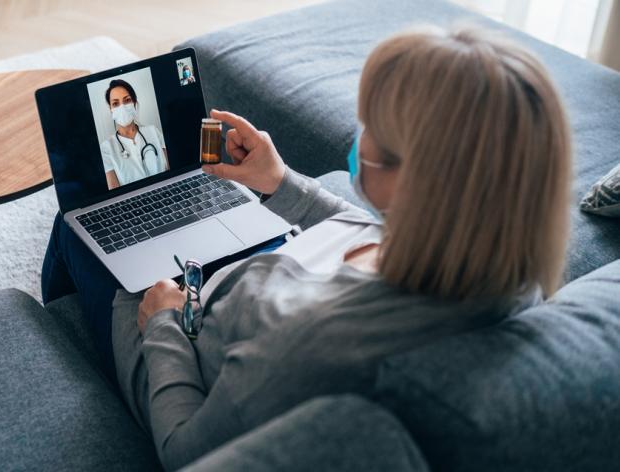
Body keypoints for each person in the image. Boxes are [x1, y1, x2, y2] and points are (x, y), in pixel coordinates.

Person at [42, 25, 571, 470]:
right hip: (245, 278)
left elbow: (185, 450)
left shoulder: (308, 347)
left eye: (372, 129)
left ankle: (67, 355)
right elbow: (369, 235)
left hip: (181, 334)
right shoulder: (496, 260)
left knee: (74, 228)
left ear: (417, 182)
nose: (360, 136)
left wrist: (161, 323)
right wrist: (279, 182)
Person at [99, 79, 170, 189]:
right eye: (115, 103)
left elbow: (170, 170)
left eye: (127, 100)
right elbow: (114, 193)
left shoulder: (153, 131)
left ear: (134, 103)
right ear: (111, 109)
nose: (122, 107)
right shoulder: (106, 148)